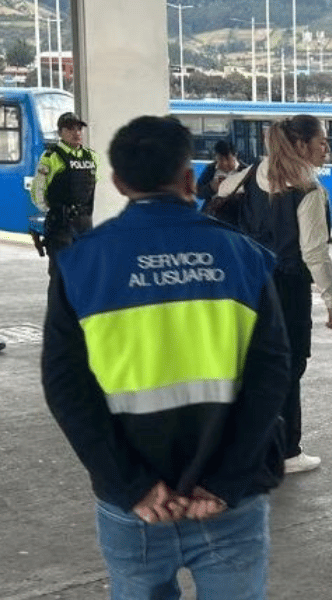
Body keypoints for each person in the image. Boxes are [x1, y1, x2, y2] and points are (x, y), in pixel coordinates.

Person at [41, 115, 291, 599]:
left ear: (117, 182)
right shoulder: (243, 256)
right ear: (187, 179)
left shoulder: (80, 264)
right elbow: (272, 376)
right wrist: (225, 481)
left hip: (136, 508)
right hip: (226, 503)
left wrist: (129, 485)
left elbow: (65, 387)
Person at [236, 114, 332, 474]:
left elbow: (219, 194)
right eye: (321, 141)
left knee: (257, 365)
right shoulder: (308, 189)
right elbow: (314, 251)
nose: (326, 147)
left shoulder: (252, 174)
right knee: (290, 366)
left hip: (251, 285)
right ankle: (286, 451)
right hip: (288, 289)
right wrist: (331, 299)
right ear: (300, 145)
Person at [31, 112, 99, 274]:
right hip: (61, 225)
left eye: (79, 129)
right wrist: (53, 210)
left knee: (84, 273)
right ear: (60, 132)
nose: (77, 133)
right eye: (70, 129)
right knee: (61, 276)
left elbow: (91, 187)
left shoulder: (91, 157)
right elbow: (38, 191)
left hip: (84, 223)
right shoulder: (51, 157)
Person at [196, 139, 248, 205]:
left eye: (228, 159)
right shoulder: (210, 169)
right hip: (213, 213)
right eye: (221, 159)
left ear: (235, 156)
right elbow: (198, 193)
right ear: (216, 158)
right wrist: (211, 188)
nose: (224, 163)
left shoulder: (245, 171)